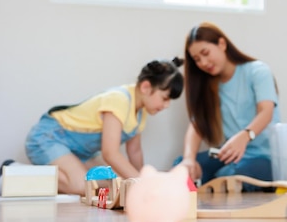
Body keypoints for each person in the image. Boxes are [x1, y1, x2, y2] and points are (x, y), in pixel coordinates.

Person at [24, 58, 184, 195]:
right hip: (49, 137)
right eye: (164, 98)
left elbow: (134, 152)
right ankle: (18, 175)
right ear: (145, 87)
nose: (167, 105)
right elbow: (110, 153)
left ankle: (65, 172)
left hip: (80, 153)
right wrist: (140, 183)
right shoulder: (119, 100)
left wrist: (143, 178)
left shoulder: (141, 113)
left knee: (115, 182)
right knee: (84, 185)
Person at [174, 22, 280, 191]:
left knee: (231, 175)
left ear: (222, 44)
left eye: (205, 53)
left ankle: (216, 185)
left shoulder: (258, 71)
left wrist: (245, 136)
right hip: (227, 155)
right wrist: (189, 159)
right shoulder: (209, 85)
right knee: (181, 167)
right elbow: (196, 126)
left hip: (263, 157)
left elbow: (266, 112)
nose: (203, 62)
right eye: (197, 59)